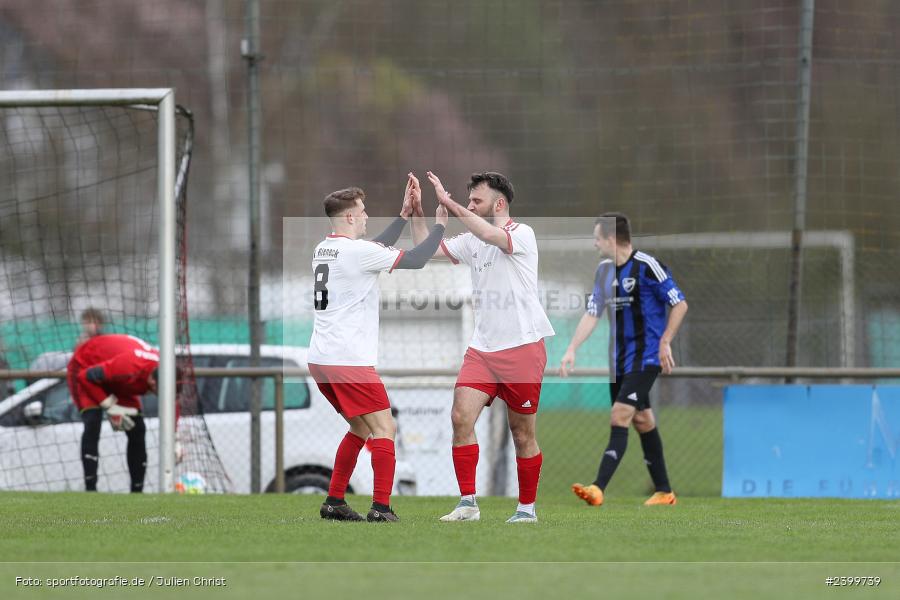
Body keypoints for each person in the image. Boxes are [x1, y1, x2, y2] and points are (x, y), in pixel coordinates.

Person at [409, 171, 555, 524]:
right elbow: (426, 252)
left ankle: (526, 510)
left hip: (522, 348)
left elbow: (488, 232)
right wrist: (418, 212)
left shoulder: (521, 234)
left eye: (477, 200)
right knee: (460, 417)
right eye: (469, 200)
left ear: (499, 203)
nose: (471, 205)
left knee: (522, 434)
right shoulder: (472, 241)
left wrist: (450, 204)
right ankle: (468, 504)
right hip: (482, 350)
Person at [310, 177, 448, 523]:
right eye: (363, 211)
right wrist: (441, 227)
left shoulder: (325, 248)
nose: (367, 216)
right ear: (351, 218)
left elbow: (373, 251)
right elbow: (415, 260)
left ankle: (334, 502)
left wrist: (402, 217)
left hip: (321, 358)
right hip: (349, 360)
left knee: (360, 428)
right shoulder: (357, 252)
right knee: (386, 429)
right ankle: (381, 508)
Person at [560, 213, 688, 506]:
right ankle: (665, 491)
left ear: (612, 239)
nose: (594, 244)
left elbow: (679, 304)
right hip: (619, 364)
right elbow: (592, 313)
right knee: (642, 421)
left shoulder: (647, 266)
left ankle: (597, 487)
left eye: (597, 238)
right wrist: (571, 348)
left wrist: (665, 341)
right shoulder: (604, 272)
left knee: (619, 415)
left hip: (645, 360)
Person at [66, 333, 161, 492]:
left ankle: (137, 494)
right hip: (85, 366)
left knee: (137, 429)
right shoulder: (131, 368)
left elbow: (174, 402)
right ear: (152, 381)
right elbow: (85, 377)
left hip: (114, 378)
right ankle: (90, 491)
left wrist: (176, 437)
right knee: (93, 422)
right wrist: (111, 407)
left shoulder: (164, 371)